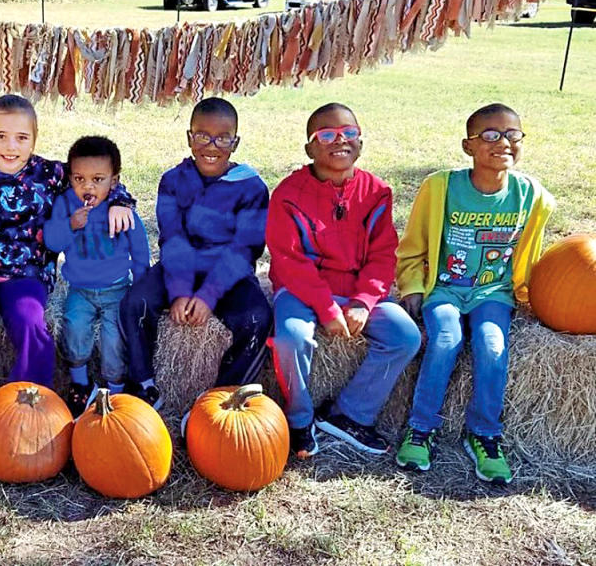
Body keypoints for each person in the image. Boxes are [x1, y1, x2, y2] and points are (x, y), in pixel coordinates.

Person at [0, 95, 135, 450]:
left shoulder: (54, 175)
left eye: (21, 138)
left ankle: (25, 406)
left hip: (27, 273)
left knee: (31, 324)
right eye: (0, 136)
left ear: (35, 137)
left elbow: (96, 180)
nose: (10, 146)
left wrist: (119, 199)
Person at [395, 103, 555, 484]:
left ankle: (484, 433)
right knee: (446, 339)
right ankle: (421, 428)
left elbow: (531, 256)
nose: (503, 142)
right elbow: (413, 246)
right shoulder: (441, 188)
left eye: (512, 134)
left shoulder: (531, 195)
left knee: (492, 344)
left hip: (494, 293)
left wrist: (534, 297)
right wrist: (413, 286)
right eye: (490, 135)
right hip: (447, 289)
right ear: (468, 146)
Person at [267, 103, 420, 458]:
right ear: (309, 147)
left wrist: (364, 302)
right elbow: (289, 260)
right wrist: (325, 307)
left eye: (349, 133)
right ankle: (300, 419)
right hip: (303, 290)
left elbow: (383, 256)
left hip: (357, 289)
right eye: (326, 135)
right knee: (292, 337)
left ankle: (349, 414)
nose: (340, 140)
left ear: (361, 142)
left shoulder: (376, 191)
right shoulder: (289, 194)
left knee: (405, 335)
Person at [119, 97, 272, 411]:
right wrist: (180, 292)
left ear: (236, 142)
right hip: (179, 265)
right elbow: (173, 240)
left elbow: (244, 249)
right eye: (202, 135)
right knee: (135, 303)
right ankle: (143, 383)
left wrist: (208, 296)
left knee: (258, 319)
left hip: (230, 271)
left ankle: (224, 398)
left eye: (223, 138)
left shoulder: (252, 187)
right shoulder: (173, 181)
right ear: (189, 137)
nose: (212, 146)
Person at [44, 136, 150, 415]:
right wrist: (70, 224)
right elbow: (53, 242)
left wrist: (139, 289)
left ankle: (116, 391)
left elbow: (140, 249)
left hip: (117, 290)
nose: (87, 187)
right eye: (79, 179)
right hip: (80, 288)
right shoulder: (67, 205)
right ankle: (81, 385)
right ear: (70, 178)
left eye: (98, 179)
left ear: (114, 181)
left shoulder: (121, 211)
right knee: (74, 328)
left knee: (114, 339)